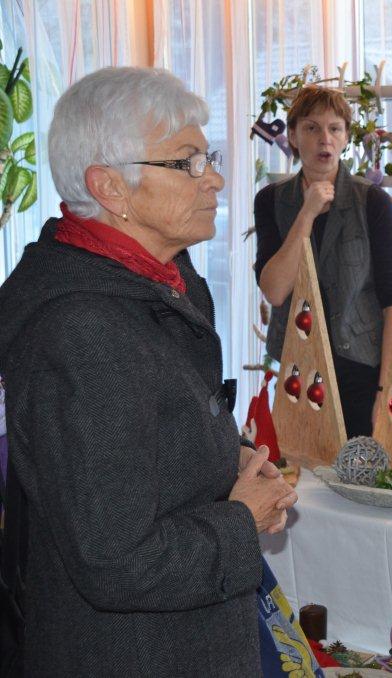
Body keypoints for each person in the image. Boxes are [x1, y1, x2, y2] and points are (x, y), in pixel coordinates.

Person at [0, 67, 297, 676]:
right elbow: (116, 561)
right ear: (110, 187)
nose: (214, 178)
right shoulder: (81, 331)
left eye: (208, 157)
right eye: (187, 162)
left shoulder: (164, 279)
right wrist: (241, 521)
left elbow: (149, 437)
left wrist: (229, 456)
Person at [254, 86, 392, 437]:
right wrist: (306, 213)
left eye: (335, 128)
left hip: (361, 370)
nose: (325, 139)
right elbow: (275, 291)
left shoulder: (373, 202)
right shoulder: (271, 201)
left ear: (346, 136)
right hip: (298, 368)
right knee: (298, 464)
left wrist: (385, 389)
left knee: (359, 467)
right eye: (312, 128)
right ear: (293, 136)